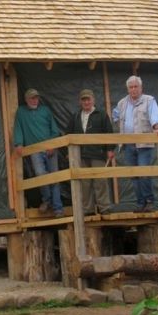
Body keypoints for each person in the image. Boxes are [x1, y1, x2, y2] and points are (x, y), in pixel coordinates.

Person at [112, 76, 158, 212]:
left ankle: (149, 201)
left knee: (144, 172)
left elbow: (154, 116)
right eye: (131, 87)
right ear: (128, 89)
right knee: (134, 174)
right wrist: (119, 123)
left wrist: (157, 128)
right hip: (128, 144)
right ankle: (140, 203)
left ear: (141, 88)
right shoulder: (122, 103)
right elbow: (115, 114)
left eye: (136, 87)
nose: (133, 89)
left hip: (144, 143)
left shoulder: (149, 100)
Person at [13, 88, 63, 218]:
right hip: (35, 150)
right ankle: (47, 200)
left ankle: (58, 209)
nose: (35, 100)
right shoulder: (21, 112)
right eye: (32, 98)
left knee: (55, 178)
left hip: (50, 148)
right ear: (26, 99)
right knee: (40, 175)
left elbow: (54, 129)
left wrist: (52, 144)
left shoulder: (45, 110)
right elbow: (18, 128)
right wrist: (18, 143)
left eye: (36, 98)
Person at [65, 89, 116, 214]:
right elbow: (68, 134)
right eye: (84, 100)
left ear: (93, 100)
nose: (86, 102)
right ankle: (88, 209)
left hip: (98, 153)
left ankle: (104, 207)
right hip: (81, 155)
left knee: (100, 181)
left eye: (88, 99)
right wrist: (68, 152)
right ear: (80, 102)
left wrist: (110, 149)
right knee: (85, 183)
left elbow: (109, 132)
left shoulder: (102, 114)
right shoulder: (76, 116)